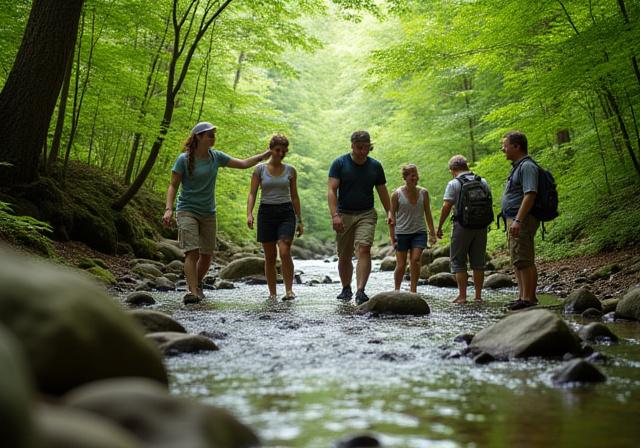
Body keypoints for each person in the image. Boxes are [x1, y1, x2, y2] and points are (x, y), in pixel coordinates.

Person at [163, 122, 270, 304]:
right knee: (192, 253)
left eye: (214, 134)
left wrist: (264, 155)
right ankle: (192, 290)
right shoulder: (183, 159)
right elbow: (173, 185)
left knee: (207, 255)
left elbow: (243, 164)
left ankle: (197, 284)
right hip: (186, 210)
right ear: (198, 137)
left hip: (208, 213)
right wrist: (168, 209)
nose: (213, 138)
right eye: (210, 135)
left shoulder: (216, 157)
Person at [328, 130, 392, 305]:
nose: (363, 151)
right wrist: (335, 215)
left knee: (364, 249)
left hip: (366, 213)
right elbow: (332, 190)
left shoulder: (375, 166)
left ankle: (361, 290)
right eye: (359, 147)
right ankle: (346, 287)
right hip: (344, 214)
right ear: (352, 145)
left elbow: (382, 190)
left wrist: (390, 211)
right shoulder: (340, 163)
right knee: (344, 255)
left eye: (366, 147)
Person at [247, 134, 303, 301]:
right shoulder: (259, 170)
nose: (280, 154)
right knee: (270, 256)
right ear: (271, 150)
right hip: (266, 213)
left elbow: (294, 197)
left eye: (284, 151)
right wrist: (249, 213)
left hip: (286, 212)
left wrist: (299, 220)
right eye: (278, 150)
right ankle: (272, 294)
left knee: (285, 251)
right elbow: (252, 193)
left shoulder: (291, 171)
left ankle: (289, 290)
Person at [436, 155, 491, 304]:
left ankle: (462, 296)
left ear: (453, 169)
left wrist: (440, 226)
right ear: (466, 166)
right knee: (478, 262)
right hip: (481, 226)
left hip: (462, 226)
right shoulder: (482, 181)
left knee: (458, 261)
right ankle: (478, 296)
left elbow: (447, 206)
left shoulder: (454, 183)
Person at [501, 131, 540, 310]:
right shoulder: (518, 166)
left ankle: (528, 298)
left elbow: (530, 194)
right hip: (515, 218)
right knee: (518, 259)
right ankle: (522, 296)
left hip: (521, 218)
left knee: (524, 258)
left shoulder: (527, 167)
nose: (503, 149)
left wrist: (518, 219)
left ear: (517, 146)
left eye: (505, 145)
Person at [389, 164, 437, 293]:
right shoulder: (396, 194)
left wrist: (432, 233)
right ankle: (397, 290)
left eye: (416, 174)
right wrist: (392, 237)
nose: (415, 177)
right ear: (405, 177)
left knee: (415, 260)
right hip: (402, 233)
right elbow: (391, 216)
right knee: (401, 265)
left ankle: (413, 290)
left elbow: (428, 213)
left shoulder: (424, 193)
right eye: (412, 175)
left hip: (419, 232)